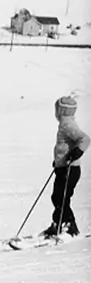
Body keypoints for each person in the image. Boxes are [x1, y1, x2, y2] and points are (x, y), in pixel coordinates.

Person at [42, 96, 89, 238]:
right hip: (63, 167)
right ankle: (59, 223)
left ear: (61, 111)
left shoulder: (67, 125)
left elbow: (85, 139)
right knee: (58, 197)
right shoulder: (65, 124)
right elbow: (63, 147)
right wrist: (58, 162)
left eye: (57, 109)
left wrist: (77, 152)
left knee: (62, 197)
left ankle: (69, 225)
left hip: (70, 168)